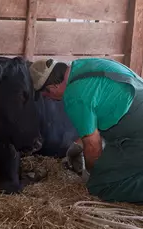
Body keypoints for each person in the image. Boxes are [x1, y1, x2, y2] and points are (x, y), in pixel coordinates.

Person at [29, 57, 143, 204]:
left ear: (52, 88)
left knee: (100, 186)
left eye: (47, 96)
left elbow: (93, 146)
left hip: (137, 134)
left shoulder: (73, 96)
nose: (50, 99)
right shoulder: (86, 64)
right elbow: (102, 109)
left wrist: (89, 174)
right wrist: (78, 145)